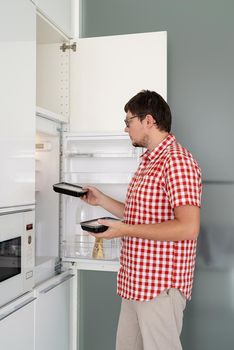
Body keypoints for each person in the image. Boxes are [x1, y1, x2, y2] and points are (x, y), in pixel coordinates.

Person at [81, 90, 202, 350]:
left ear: (148, 120)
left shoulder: (177, 162)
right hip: (135, 282)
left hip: (160, 287)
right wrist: (101, 199)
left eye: (128, 122)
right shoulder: (148, 162)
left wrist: (123, 230)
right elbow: (140, 217)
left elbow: (188, 227)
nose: (126, 129)